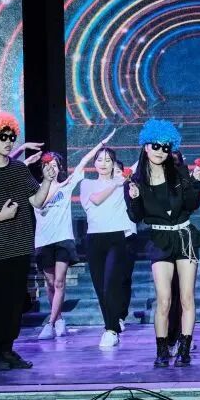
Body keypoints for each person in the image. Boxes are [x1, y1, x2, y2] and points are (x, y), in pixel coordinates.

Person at [0, 112, 58, 372]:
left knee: (15, 302)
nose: (8, 141)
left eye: (11, 137)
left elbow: (36, 201)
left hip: (19, 246)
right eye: (3, 137)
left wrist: (47, 180)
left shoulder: (19, 169)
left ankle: (7, 349)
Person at [124, 118, 200, 367]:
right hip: (160, 239)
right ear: (146, 146)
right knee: (163, 299)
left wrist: (197, 181)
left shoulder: (178, 173)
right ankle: (161, 350)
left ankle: (184, 348)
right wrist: (134, 198)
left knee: (187, 298)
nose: (161, 151)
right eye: (156, 146)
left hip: (184, 236)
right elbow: (136, 217)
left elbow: (192, 205)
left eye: (166, 147)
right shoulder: (136, 181)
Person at [32, 132, 115, 341]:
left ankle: (50, 324)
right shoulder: (35, 189)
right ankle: (59, 318)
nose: (52, 169)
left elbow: (84, 160)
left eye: (55, 165)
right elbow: (40, 204)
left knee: (59, 282)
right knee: (50, 283)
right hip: (43, 241)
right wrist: (55, 187)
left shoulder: (67, 184)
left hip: (63, 239)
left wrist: (101, 144)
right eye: (48, 165)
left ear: (60, 168)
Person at [83, 147, 135, 347]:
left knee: (110, 285)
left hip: (116, 237)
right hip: (94, 239)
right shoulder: (87, 184)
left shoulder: (123, 184)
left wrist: (130, 187)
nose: (103, 164)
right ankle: (111, 326)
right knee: (100, 288)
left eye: (108, 160)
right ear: (94, 163)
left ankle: (111, 330)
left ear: (114, 164)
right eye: (100, 159)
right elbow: (96, 200)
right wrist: (115, 183)